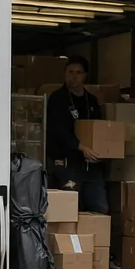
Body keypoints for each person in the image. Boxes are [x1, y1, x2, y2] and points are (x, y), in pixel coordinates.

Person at [45, 56, 110, 215]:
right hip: (68, 162)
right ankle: (72, 239)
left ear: (85, 75)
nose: (73, 76)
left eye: (78, 72)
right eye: (70, 72)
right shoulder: (57, 99)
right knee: (71, 208)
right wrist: (80, 147)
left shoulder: (92, 101)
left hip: (91, 162)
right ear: (64, 73)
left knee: (100, 208)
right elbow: (57, 129)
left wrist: (100, 152)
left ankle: (95, 237)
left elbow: (100, 129)